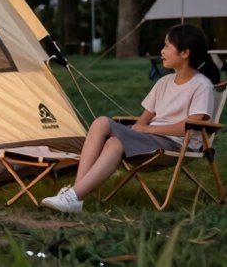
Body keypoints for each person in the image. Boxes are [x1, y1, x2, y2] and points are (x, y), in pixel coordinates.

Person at [42, 24, 219, 213]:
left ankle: (74, 196)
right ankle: (75, 196)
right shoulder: (164, 83)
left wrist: (147, 130)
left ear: (185, 53)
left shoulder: (201, 85)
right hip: (151, 140)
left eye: (167, 46)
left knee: (115, 144)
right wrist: (141, 129)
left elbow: (190, 126)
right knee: (102, 123)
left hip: (177, 145)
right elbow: (143, 121)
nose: (162, 50)